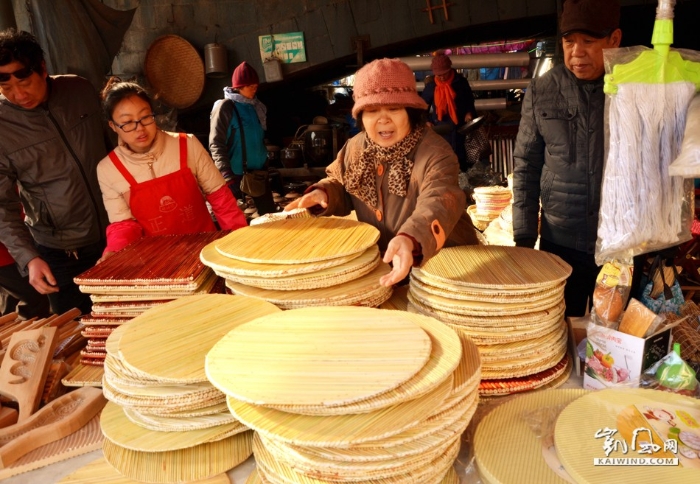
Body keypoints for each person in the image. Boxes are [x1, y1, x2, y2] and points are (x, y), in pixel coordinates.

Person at [285, 58, 479, 287]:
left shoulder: (435, 152)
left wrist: (411, 239)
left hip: (445, 267)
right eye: (372, 110)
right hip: (387, 265)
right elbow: (341, 182)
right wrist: (325, 193)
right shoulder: (355, 148)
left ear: (410, 111)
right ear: (360, 117)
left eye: (394, 108)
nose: (383, 119)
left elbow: (438, 200)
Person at [512, 0, 622, 317]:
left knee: (615, 345)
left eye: (589, 41)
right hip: (560, 243)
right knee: (559, 331)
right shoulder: (543, 90)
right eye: (569, 41)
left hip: (619, 245)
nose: (576, 52)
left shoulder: (632, 89)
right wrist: (523, 237)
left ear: (613, 40)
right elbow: (526, 166)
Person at [0, 29, 109, 315]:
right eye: (6, 87)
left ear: (43, 68)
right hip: (60, 253)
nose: (18, 94)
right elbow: (2, 207)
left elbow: (115, 151)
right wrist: (29, 258)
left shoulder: (80, 91)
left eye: (24, 80)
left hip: (116, 233)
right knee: (77, 335)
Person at [97, 78, 247, 258]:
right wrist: (115, 252)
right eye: (127, 122)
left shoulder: (187, 144)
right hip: (157, 263)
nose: (140, 129)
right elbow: (124, 225)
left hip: (205, 253)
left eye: (145, 117)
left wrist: (241, 242)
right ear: (113, 126)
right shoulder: (108, 168)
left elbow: (222, 201)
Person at [209, 61, 275, 215]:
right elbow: (216, 143)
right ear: (239, 86)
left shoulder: (255, 107)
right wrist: (226, 175)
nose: (255, 89)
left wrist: (265, 160)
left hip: (258, 174)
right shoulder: (225, 107)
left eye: (255, 86)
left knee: (270, 216)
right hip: (236, 176)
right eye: (250, 86)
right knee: (239, 220)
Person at [421, 52, 477, 171]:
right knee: (443, 161)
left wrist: (469, 113)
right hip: (441, 130)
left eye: (444, 74)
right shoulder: (431, 86)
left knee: (461, 160)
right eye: (438, 75)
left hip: (461, 128)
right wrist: (427, 121)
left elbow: (469, 101)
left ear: (450, 69)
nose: (442, 77)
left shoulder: (460, 82)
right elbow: (421, 107)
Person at [1, 242, 52, 320]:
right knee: (35, 297)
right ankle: (38, 327)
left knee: (10, 300)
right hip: (8, 256)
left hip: (10, 254)